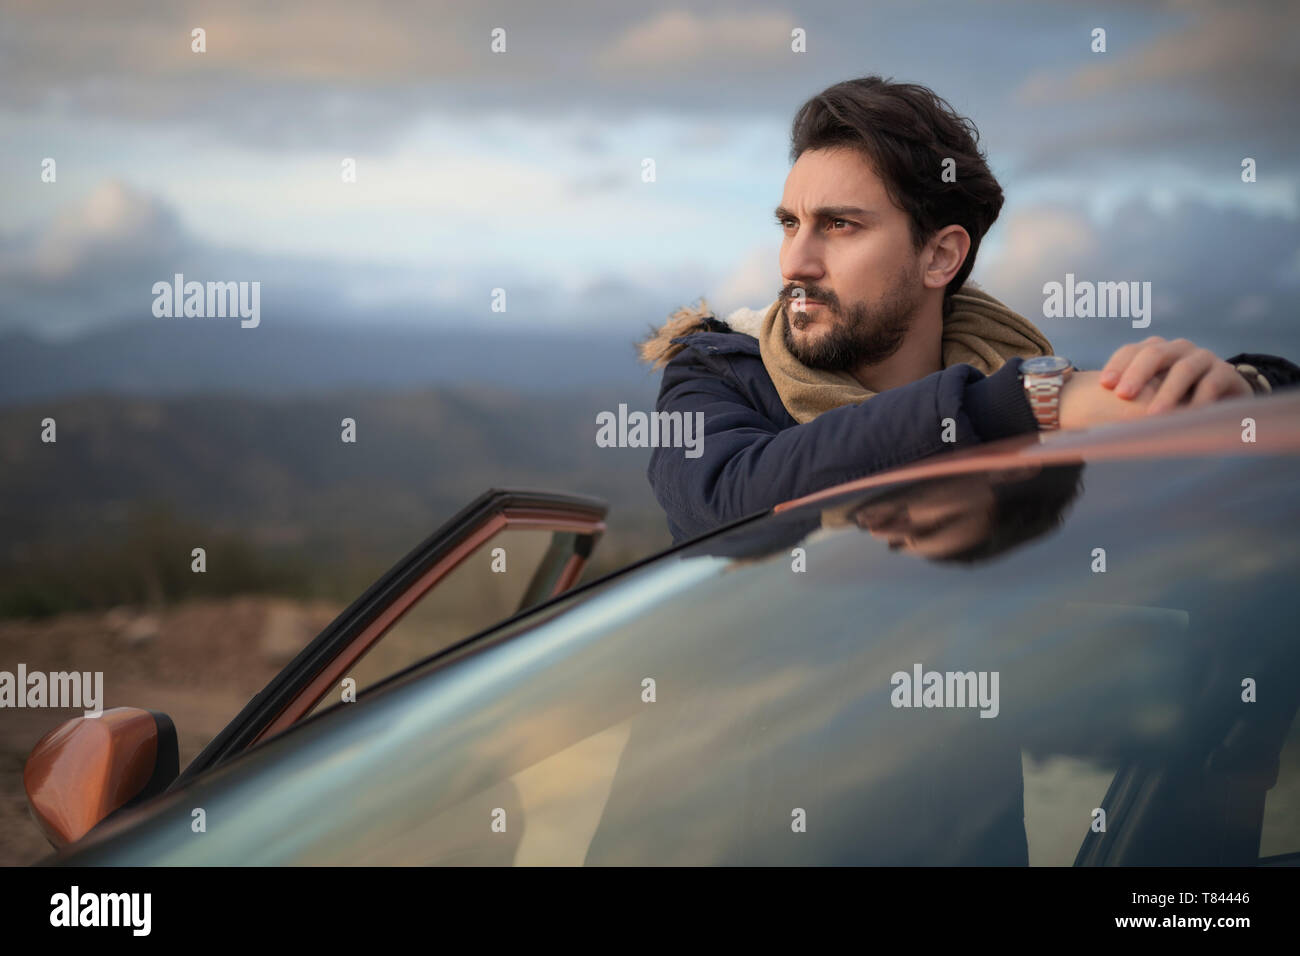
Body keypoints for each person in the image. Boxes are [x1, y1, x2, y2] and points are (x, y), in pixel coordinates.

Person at [638, 75, 1299, 544]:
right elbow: (728, 502)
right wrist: (1029, 405)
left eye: (839, 226)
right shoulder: (719, 371)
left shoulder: (1012, 369)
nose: (795, 263)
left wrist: (1245, 391)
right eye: (790, 223)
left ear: (940, 258)